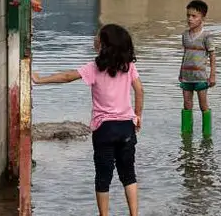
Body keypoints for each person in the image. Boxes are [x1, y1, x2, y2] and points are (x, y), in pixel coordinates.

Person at [33, 23, 143, 216]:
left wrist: (40, 79)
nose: (94, 39)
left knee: (103, 177)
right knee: (129, 175)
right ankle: (134, 214)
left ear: (103, 45)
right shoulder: (128, 66)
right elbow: (140, 90)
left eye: (97, 37)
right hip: (126, 127)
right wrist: (137, 114)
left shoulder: (94, 68)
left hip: (104, 130)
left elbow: (67, 77)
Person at [179, 0, 216, 135]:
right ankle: (186, 133)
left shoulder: (207, 36)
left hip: (200, 77)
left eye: (194, 16)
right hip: (187, 76)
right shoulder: (184, 35)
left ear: (202, 17)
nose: (190, 19)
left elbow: (212, 55)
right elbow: (185, 54)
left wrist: (212, 75)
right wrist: (180, 73)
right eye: (188, 15)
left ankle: (207, 134)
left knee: (203, 105)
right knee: (187, 105)